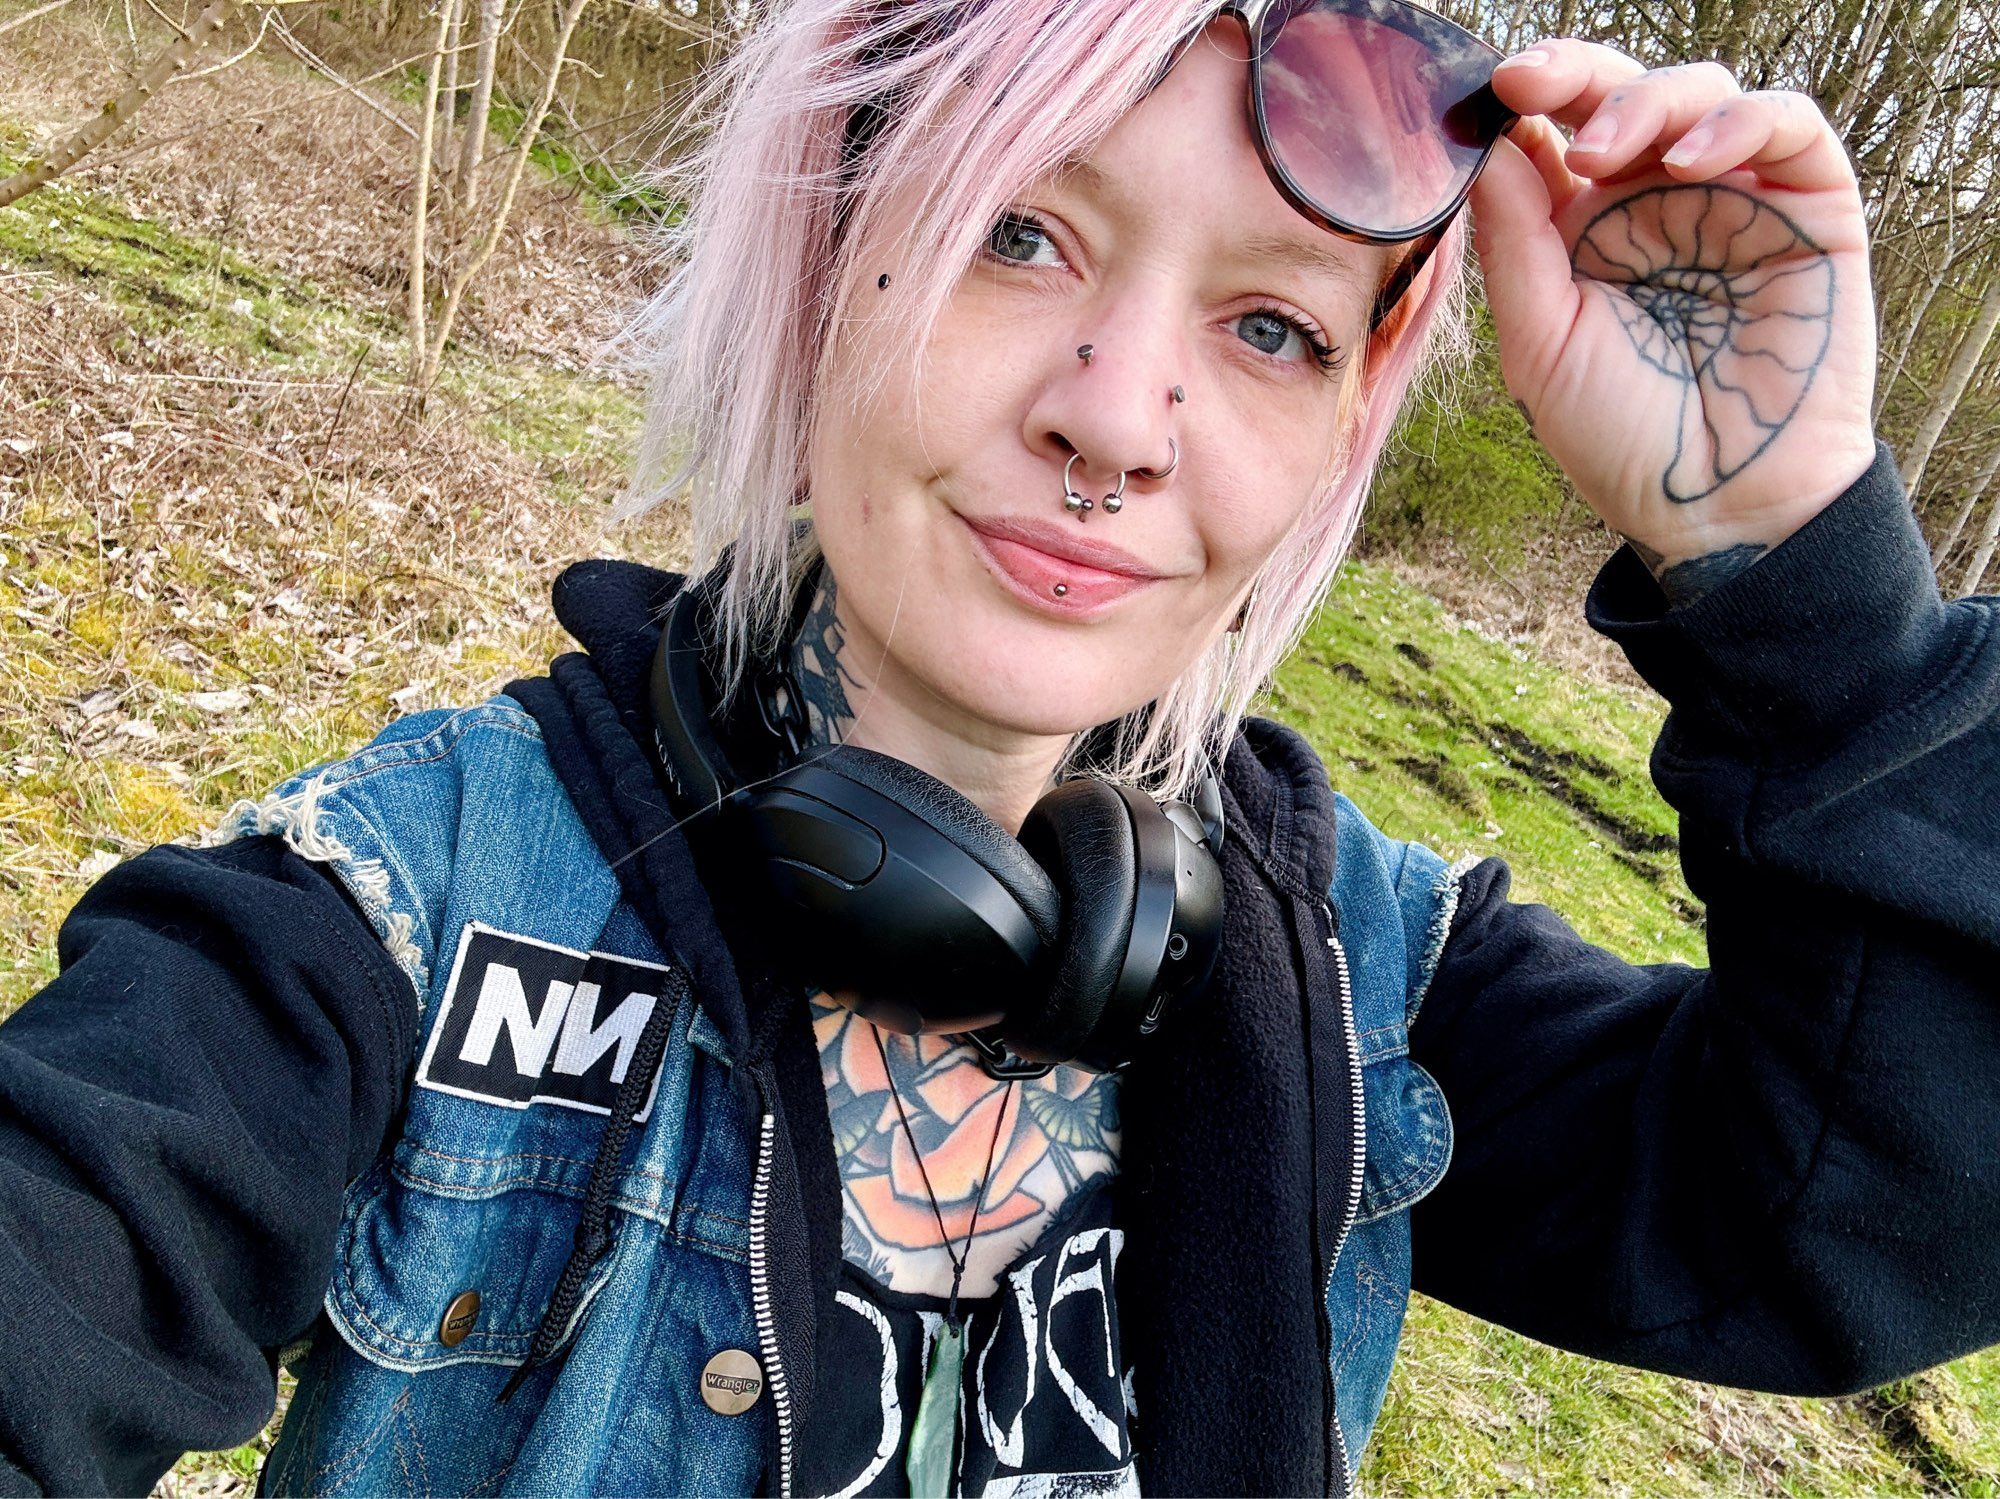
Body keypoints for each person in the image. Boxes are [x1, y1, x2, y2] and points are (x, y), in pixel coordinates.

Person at [1, 1, 1995, 1494]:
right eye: (1019, 237)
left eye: (1272, 329)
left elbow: (1870, 1220)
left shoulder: (1360, 981)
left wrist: (1787, 564)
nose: (1121, 418)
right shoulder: (389, 920)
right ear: (821, 253)